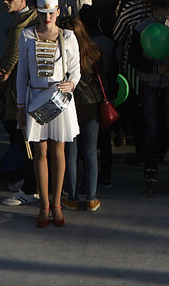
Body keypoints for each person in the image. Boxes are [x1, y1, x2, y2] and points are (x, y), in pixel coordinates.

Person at [16, 0, 81, 228]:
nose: (47, 17)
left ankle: (56, 203)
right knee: (40, 152)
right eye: (43, 12)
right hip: (35, 99)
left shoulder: (69, 36)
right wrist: (21, 106)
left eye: (50, 13)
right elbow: (22, 73)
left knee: (58, 151)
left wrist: (71, 84)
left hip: (59, 100)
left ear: (57, 11)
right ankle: (43, 203)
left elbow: (75, 70)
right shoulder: (27, 35)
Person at [128, 0, 169, 192]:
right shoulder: (141, 29)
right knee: (151, 127)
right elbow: (134, 58)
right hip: (149, 84)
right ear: (160, 10)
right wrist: (155, 69)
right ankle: (151, 166)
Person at [0, 0, 39, 207]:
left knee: (23, 139)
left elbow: (9, 62)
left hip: (20, 94)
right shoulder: (31, 19)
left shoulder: (19, 28)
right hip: (32, 91)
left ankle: (28, 184)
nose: (5, 1)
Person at [61, 17, 105, 213]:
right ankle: (91, 198)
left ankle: (71, 197)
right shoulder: (93, 52)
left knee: (70, 154)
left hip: (69, 106)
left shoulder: (61, 54)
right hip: (91, 105)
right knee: (90, 153)